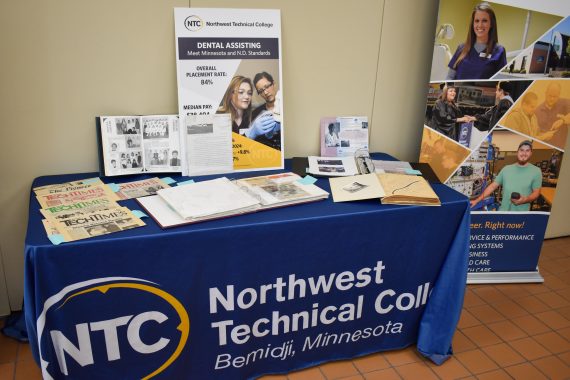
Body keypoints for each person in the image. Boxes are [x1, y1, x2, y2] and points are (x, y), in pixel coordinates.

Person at [470, 140, 542, 211]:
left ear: (531, 153)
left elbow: (536, 193)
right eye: (522, 150)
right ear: (517, 152)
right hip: (503, 212)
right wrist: (477, 200)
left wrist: (525, 200)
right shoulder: (506, 169)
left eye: (527, 150)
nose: (524, 153)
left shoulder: (536, 171)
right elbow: (492, 186)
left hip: (521, 215)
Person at [447, 2, 506, 80]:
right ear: (473, 24)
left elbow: (501, 83)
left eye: (484, 21)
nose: (480, 25)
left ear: (491, 24)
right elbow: (449, 78)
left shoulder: (499, 51)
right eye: (477, 21)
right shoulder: (461, 48)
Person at [534, 82, 570, 150]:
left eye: (555, 96)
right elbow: (534, 133)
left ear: (559, 95)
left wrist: (563, 120)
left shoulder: (565, 103)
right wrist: (543, 136)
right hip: (544, 148)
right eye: (550, 96)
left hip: (562, 149)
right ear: (545, 93)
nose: (552, 99)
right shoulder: (537, 111)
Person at [251, 71, 281, 149]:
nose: (265, 92)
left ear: (273, 84)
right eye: (261, 91)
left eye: (267, 86)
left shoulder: (285, 108)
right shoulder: (255, 114)